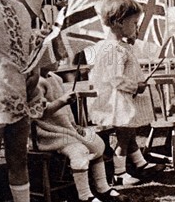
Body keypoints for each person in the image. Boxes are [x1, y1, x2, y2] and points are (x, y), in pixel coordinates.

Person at [88, 0, 164, 186]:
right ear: (118, 22)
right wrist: (135, 86)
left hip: (123, 98)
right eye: (134, 23)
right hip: (114, 101)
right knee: (124, 136)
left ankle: (139, 162)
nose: (136, 27)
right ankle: (120, 173)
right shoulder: (112, 49)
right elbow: (115, 79)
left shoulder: (122, 46)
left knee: (129, 133)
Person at [0, 0, 44, 202]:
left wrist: (39, 45)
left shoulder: (19, 9)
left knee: (18, 157)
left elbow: (26, 48)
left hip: (20, 91)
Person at [34, 62, 128, 202]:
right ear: (43, 59)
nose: (59, 60)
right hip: (47, 133)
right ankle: (85, 196)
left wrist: (73, 124)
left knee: (96, 142)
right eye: (55, 57)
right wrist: (61, 101)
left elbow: (66, 111)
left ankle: (103, 187)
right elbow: (39, 113)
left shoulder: (56, 78)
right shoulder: (36, 83)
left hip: (66, 129)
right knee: (79, 150)